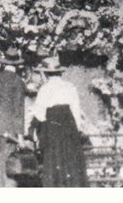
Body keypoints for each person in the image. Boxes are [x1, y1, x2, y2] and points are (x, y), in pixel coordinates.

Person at [29, 55, 88, 187]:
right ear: (60, 72)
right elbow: (76, 110)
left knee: (53, 159)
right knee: (70, 160)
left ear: (46, 74)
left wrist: (36, 129)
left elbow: (40, 114)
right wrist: (77, 128)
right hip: (69, 126)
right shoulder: (70, 87)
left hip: (53, 127)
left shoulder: (45, 89)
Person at [0, 47, 27, 188]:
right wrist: (20, 136)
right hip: (9, 131)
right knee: (9, 168)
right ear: (17, 65)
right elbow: (18, 110)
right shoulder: (18, 82)